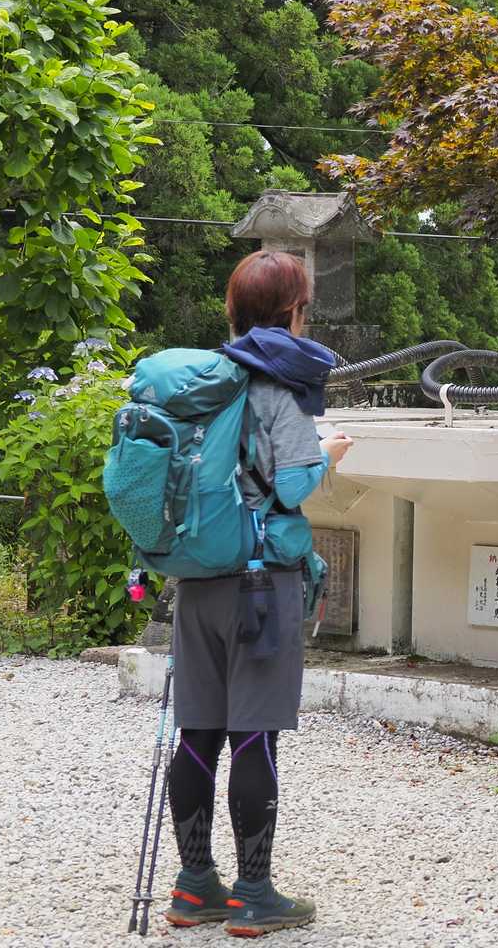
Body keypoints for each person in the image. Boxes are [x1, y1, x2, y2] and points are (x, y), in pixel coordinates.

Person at [161, 250, 353, 937]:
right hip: (261, 589)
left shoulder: (203, 381)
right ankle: (252, 894)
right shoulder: (278, 386)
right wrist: (329, 453)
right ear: (293, 312)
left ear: (232, 310)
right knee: (254, 735)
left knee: (197, 732)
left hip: (197, 580)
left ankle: (193, 887)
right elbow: (293, 483)